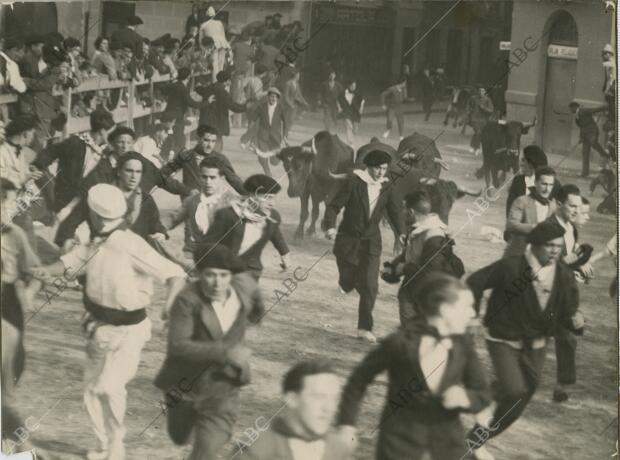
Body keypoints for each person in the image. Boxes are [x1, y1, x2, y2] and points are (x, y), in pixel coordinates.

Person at [35, 183, 186, 460]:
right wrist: (45, 271)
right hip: (96, 327)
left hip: (129, 332)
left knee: (109, 386)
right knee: (91, 391)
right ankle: (104, 444)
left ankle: (117, 445)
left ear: (94, 214)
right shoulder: (96, 241)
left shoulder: (130, 244)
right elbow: (70, 260)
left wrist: (168, 306)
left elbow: (175, 273)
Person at [335, 273, 491, 460]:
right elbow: (358, 380)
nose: (473, 313)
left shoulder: (462, 344)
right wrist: (346, 424)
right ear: (445, 310)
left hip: (448, 446)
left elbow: (482, 392)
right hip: (400, 445)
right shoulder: (400, 343)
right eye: (466, 307)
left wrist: (466, 399)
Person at [465, 220, 584, 457]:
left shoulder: (563, 275)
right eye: (549, 245)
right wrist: (472, 316)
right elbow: (475, 282)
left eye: (558, 246)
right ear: (535, 245)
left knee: (519, 403)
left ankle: (476, 439)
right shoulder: (510, 267)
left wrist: (576, 319)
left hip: (537, 344)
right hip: (503, 339)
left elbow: (569, 310)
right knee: (514, 389)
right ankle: (485, 406)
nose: (554, 251)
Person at [154, 243, 264, 460]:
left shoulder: (243, 289)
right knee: (179, 436)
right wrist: (226, 352)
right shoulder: (187, 300)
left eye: (223, 275)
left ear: (231, 275)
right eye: (210, 275)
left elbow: (256, 303)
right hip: (185, 387)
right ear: (198, 274)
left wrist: (256, 313)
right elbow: (178, 345)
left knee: (205, 452)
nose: (217, 282)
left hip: (224, 388)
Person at [324, 150, 405, 342]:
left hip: (371, 242)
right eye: (377, 168)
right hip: (348, 240)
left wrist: (401, 232)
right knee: (348, 280)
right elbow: (334, 206)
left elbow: (394, 211)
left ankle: (364, 328)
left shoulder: (387, 187)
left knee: (370, 285)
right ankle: (347, 283)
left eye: (384, 169)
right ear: (368, 167)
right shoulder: (353, 182)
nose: (380, 172)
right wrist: (330, 227)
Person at [1, 178, 43, 456]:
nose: (8, 208)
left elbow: (37, 272)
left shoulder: (14, 235)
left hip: (6, 306)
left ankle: (24, 449)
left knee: (6, 388)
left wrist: (29, 293)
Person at [239, 360, 351, 459]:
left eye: (334, 399)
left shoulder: (338, 449)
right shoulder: (257, 449)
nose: (328, 408)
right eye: (318, 397)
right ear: (292, 399)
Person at [55, 152, 169, 250]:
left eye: (138, 172)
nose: (134, 176)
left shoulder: (146, 199)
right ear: (119, 172)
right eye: (129, 171)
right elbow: (69, 223)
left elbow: (156, 225)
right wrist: (67, 240)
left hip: (135, 257)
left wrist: (160, 234)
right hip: (103, 254)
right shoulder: (100, 195)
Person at [383, 190, 464, 326]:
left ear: (411, 212)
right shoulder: (420, 229)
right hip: (416, 287)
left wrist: (404, 268)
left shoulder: (433, 235)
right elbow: (411, 255)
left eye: (404, 209)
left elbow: (432, 270)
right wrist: (392, 268)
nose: (401, 212)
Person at [546, 184, 591, 403]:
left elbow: (569, 257)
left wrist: (581, 263)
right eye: (572, 206)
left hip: (562, 293)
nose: (576, 210)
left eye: (578, 206)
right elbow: (544, 263)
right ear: (560, 204)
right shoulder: (548, 227)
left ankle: (560, 386)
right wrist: (572, 262)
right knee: (531, 336)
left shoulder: (572, 228)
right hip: (543, 292)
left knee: (568, 337)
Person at [205, 174, 290, 280]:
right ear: (252, 196)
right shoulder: (227, 215)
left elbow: (276, 234)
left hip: (252, 270)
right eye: (267, 198)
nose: (272, 203)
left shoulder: (272, 217)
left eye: (273, 198)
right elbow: (208, 244)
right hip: (224, 270)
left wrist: (285, 254)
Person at [32, 109, 115, 218]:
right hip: (67, 197)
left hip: (87, 199)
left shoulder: (106, 151)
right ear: (102, 131)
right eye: (111, 133)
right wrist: (37, 165)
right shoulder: (75, 143)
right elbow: (51, 151)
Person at [165, 157, 238, 258]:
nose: (208, 182)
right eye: (204, 177)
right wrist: (160, 231)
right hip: (193, 253)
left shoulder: (232, 202)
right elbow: (172, 220)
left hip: (221, 255)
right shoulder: (192, 200)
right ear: (199, 177)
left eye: (213, 178)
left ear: (221, 178)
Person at [161, 124, 246, 195]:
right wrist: (185, 190)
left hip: (213, 201)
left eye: (213, 141)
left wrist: (251, 193)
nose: (210, 145)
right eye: (206, 140)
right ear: (198, 139)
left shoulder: (220, 159)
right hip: (191, 202)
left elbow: (235, 181)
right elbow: (162, 175)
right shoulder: (185, 156)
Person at [0, 116, 43, 249]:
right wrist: (25, 178)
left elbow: (22, 174)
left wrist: (29, 175)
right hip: (5, 202)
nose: (32, 138)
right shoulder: (2, 152)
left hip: (18, 198)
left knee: (40, 203)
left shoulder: (20, 152)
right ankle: (30, 260)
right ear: (25, 133)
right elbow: (3, 182)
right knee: (26, 218)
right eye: (32, 134)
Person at [503, 166, 557, 258]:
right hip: (517, 257)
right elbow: (511, 225)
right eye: (544, 184)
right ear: (535, 183)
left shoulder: (553, 206)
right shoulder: (522, 201)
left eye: (550, 185)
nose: (547, 189)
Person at [196, 70, 247, 152]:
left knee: (204, 149)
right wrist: (246, 106)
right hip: (216, 125)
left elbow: (199, 89)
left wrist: (198, 87)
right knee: (216, 151)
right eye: (230, 80)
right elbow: (234, 107)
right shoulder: (223, 93)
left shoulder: (209, 88)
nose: (231, 82)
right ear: (226, 81)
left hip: (204, 123)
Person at [163, 67, 210, 154]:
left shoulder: (174, 85)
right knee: (180, 141)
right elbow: (192, 104)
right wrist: (207, 102)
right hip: (176, 117)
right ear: (188, 77)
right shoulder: (183, 89)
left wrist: (172, 81)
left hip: (167, 114)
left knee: (170, 138)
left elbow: (164, 91)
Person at [505, 145, 559, 216]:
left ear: (531, 163)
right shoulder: (518, 181)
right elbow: (510, 210)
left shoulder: (552, 183)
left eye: (523, 160)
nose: (520, 163)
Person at [247, 87, 287, 177]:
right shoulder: (262, 107)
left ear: (277, 98)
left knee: (275, 161)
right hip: (263, 136)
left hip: (275, 138)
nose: (273, 99)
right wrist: (250, 134)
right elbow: (252, 119)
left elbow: (286, 123)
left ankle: (276, 159)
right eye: (272, 96)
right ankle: (267, 172)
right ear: (268, 97)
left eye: (275, 97)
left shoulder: (280, 108)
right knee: (262, 157)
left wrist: (285, 136)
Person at [568, 101, 608, 177]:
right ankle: (585, 173)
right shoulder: (576, 117)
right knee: (585, 153)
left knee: (593, 142)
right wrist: (581, 138)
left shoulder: (583, 110)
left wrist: (605, 107)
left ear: (575, 107)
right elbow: (582, 128)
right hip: (585, 135)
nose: (570, 110)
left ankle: (603, 153)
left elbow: (594, 110)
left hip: (592, 131)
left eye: (570, 108)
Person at [200, 6, 230, 83]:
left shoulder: (203, 25)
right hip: (222, 43)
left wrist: (203, 50)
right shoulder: (219, 23)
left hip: (212, 44)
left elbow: (200, 40)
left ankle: (215, 82)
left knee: (214, 64)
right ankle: (220, 81)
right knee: (220, 63)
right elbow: (223, 35)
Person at [337, 79, 365, 147]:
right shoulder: (343, 93)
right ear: (348, 85)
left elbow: (362, 101)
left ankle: (351, 139)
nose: (354, 87)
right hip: (346, 111)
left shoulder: (358, 93)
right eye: (352, 86)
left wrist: (361, 108)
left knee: (355, 130)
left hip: (355, 112)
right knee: (349, 126)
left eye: (355, 86)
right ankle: (350, 142)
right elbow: (337, 100)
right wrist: (339, 108)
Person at [468, 86, 494, 155]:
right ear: (477, 91)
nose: (481, 92)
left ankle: (472, 146)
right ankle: (477, 148)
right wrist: (470, 111)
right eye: (479, 91)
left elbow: (491, 110)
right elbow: (468, 106)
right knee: (478, 132)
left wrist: (484, 108)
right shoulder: (473, 98)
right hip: (474, 119)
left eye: (482, 91)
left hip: (483, 120)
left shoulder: (487, 100)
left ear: (485, 92)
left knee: (478, 133)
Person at [381, 75, 408, 141]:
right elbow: (383, 94)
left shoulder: (404, 90)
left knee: (401, 121)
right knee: (390, 120)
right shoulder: (392, 89)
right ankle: (388, 130)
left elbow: (404, 99)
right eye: (405, 83)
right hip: (392, 107)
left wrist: (405, 95)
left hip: (399, 107)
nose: (405, 84)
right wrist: (383, 104)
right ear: (402, 83)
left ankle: (401, 135)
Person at [318, 69, 343, 134]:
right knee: (327, 116)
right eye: (330, 75)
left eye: (333, 75)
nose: (332, 76)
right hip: (327, 103)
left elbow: (342, 94)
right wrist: (319, 100)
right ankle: (327, 130)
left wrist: (342, 102)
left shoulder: (338, 85)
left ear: (335, 76)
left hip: (335, 104)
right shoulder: (324, 84)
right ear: (329, 76)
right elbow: (320, 93)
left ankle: (336, 129)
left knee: (334, 116)